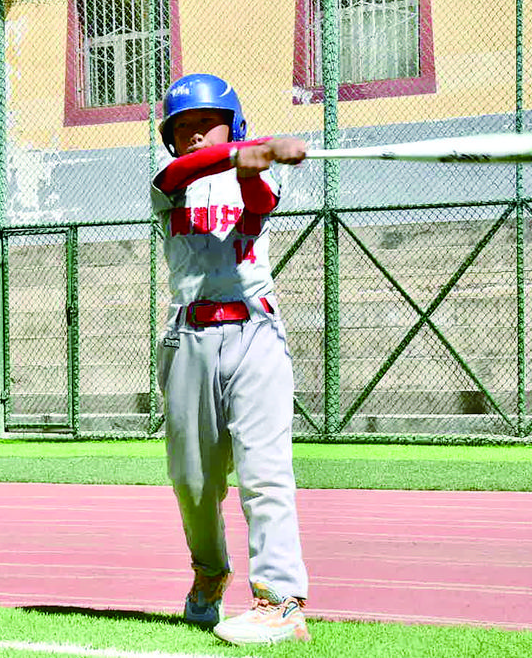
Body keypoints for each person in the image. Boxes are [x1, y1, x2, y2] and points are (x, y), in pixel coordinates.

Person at [151, 73, 310, 645]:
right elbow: (179, 172)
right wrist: (246, 151)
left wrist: (254, 162)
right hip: (189, 337)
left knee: (265, 474)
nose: (194, 136)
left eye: (206, 123)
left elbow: (259, 201)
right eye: (182, 127)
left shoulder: (254, 176)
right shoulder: (170, 183)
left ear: (233, 123)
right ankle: (210, 571)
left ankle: (281, 600)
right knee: (192, 482)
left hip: (255, 332)